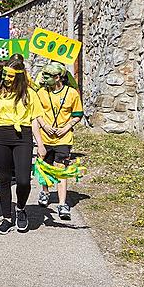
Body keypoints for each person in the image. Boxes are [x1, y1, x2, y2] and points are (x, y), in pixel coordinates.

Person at [0, 61, 48, 234]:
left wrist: (41, 144)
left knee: (23, 180)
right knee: (4, 179)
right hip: (2, 135)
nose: (7, 78)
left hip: (23, 135)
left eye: (11, 76)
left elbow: (34, 119)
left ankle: (20, 209)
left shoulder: (29, 93)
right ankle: (6, 217)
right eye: (5, 74)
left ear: (19, 76)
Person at [36, 62, 84, 220]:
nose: (44, 78)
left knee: (61, 169)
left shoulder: (72, 93)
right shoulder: (41, 92)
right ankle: (45, 192)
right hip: (45, 136)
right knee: (45, 167)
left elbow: (77, 114)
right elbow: (36, 112)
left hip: (64, 138)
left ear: (58, 78)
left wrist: (67, 126)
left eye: (48, 76)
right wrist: (44, 125)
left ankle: (62, 203)